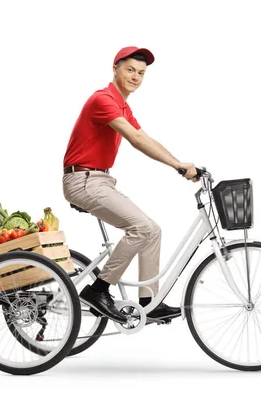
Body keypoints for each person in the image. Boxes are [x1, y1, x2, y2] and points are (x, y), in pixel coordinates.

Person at [62, 46, 198, 323]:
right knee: (141, 227)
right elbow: (136, 142)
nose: (136, 77)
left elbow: (144, 137)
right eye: (130, 70)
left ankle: (149, 302)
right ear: (115, 69)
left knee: (153, 230)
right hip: (83, 180)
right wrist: (177, 165)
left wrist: (179, 161)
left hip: (99, 179)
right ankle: (99, 290)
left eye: (141, 73)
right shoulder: (103, 100)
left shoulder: (122, 105)